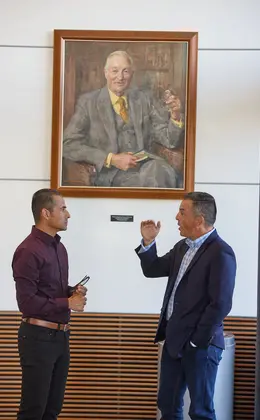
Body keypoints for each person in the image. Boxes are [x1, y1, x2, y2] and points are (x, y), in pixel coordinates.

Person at [135, 192, 236, 420]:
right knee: (167, 406)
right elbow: (153, 270)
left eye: (182, 212)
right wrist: (149, 243)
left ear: (199, 220)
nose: (176, 217)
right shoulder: (182, 247)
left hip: (201, 345)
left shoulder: (221, 252)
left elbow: (220, 304)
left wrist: (196, 340)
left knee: (200, 410)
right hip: (173, 342)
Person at [12, 188, 87, 420]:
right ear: (45, 213)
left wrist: (70, 291)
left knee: (52, 409)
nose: (68, 214)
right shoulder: (27, 251)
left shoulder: (59, 248)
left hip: (61, 337)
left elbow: (49, 290)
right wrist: (68, 302)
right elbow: (27, 302)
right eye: (63, 208)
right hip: (37, 337)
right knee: (34, 410)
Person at [63, 50, 185, 188]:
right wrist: (111, 159)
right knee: (151, 181)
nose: (120, 77)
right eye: (115, 71)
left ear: (132, 74)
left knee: (160, 172)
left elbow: (169, 140)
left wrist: (175, 115)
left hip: (148, 166)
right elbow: (67, 144)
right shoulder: (88, 102)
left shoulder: (143, 99)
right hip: (112, 173)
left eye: (125, 71)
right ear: (106, 73)